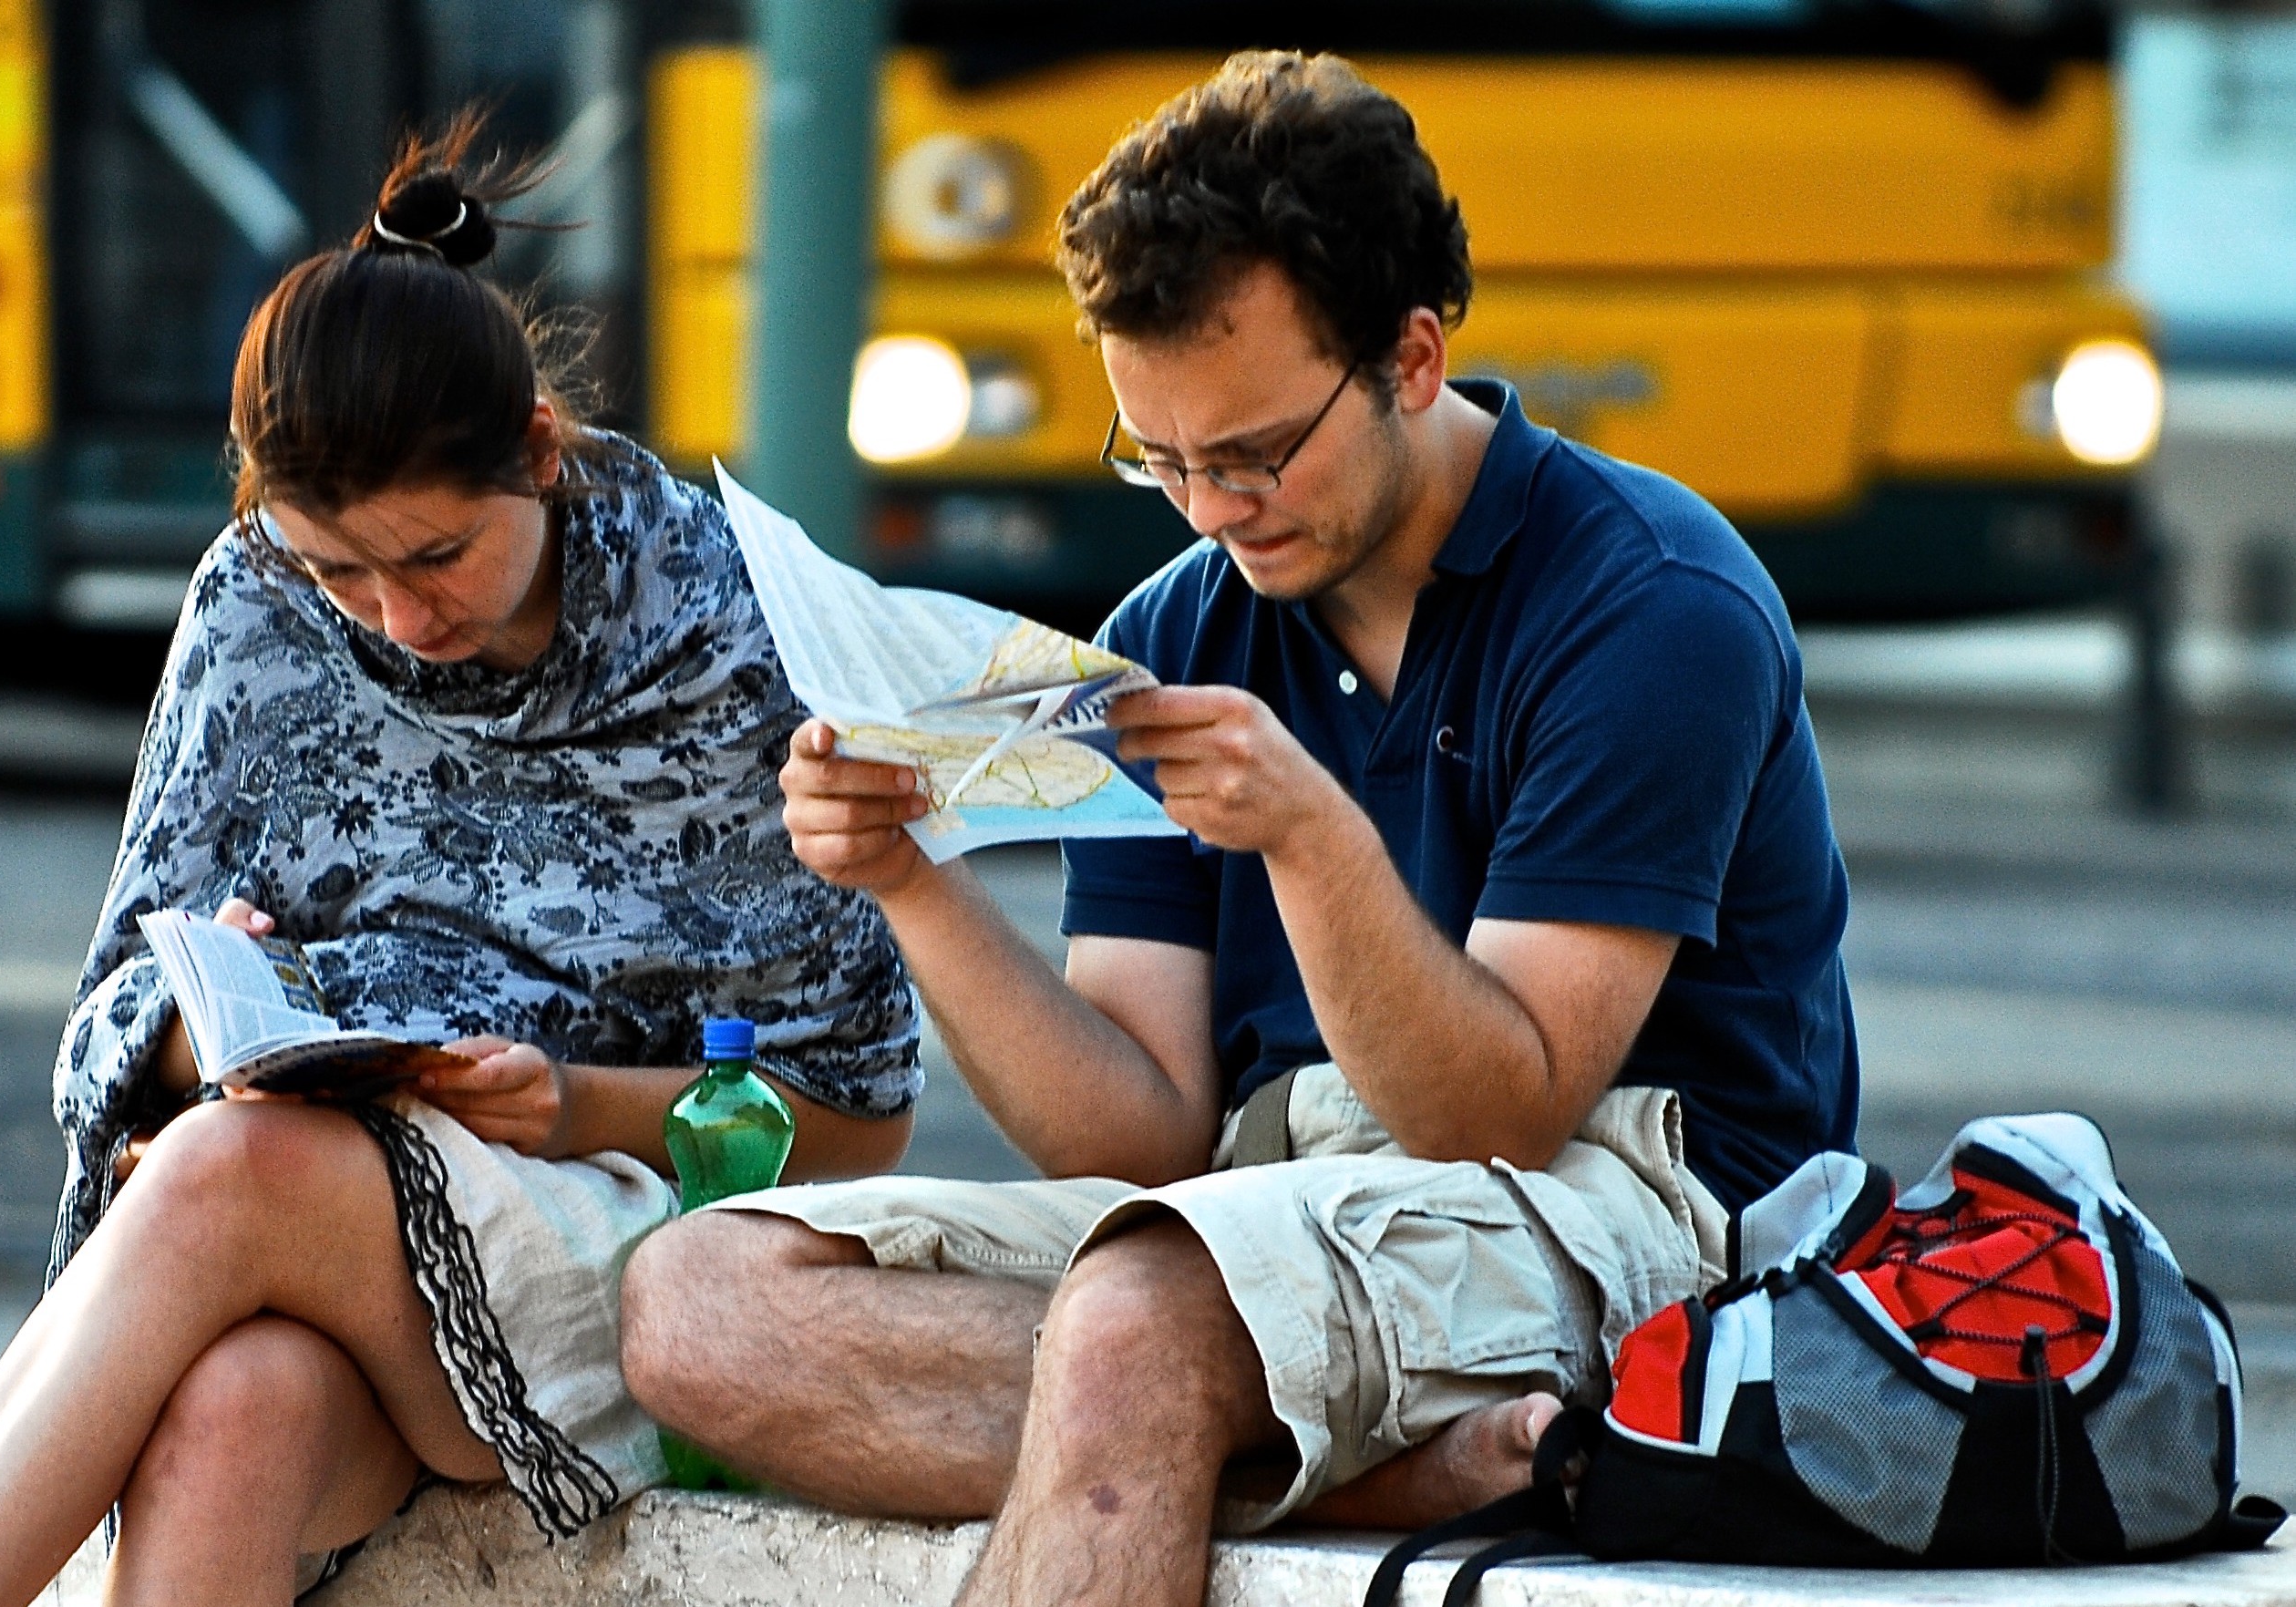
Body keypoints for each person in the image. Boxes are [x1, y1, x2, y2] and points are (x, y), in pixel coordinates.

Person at [621, 50, 1857, 1607]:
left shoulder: (1649, 608)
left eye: (1258, 452)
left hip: (1639, 1210)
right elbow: (1137, 1134)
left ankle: (1258, 1412)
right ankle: (1377, 1463)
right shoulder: (1179, 624)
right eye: (1162, 460)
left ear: (1413, 357)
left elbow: (1503, 1112)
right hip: (1263, 1202)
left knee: (1141, 1320)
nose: (1215, 509)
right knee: (700, 1300)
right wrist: (906, 878)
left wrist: (1309, 836)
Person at [0, 119, 919, 1607]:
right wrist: (193, 1025)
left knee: (229, 1176)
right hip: (330, 1273)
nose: (390, 616)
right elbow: (108, 1013)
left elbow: (859, 1124)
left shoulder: (734, 633)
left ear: (542, 458)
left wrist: (571, 1108)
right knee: (228, 1416)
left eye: (433, 560)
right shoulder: (250, 601)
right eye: (334, 570)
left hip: (623, 1270)